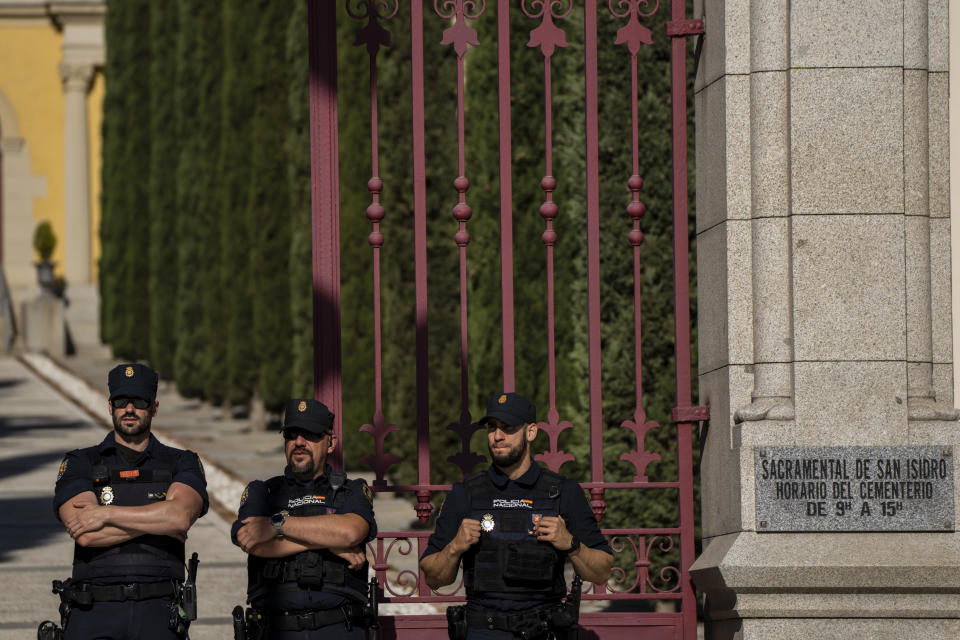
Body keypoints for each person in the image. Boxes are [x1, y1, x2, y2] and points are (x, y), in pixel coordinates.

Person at [420, 392, 614, 640]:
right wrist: (454, 548)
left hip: (543, 631)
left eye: (508, 428)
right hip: (483, 631)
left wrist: (571, 545)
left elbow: (601, 572)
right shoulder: (465, 493)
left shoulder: (563, 492)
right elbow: (433, 578)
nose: (497, 436)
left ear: (530, 432)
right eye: (492, 428)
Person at [51, 363, 208, 639]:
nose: (130, 409)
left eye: (139, 402)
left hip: (159, 612)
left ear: (154, 408)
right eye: (122, 401)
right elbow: (85, 533)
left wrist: (106, 515)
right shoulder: (80, 462)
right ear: (110, 406)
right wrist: (160, 519)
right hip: (94, 611)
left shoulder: (181, 462)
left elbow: (180, 517)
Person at [232, 398, 377, 639]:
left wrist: (278, 524)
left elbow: (351, 533)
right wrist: (331, 543)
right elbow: (251, 539)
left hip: (339, 627)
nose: (299, 442)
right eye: (291, 434)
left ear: (331, 443)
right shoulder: (263, 491)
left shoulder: (351, 490)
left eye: (310, 434)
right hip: (276, 628)